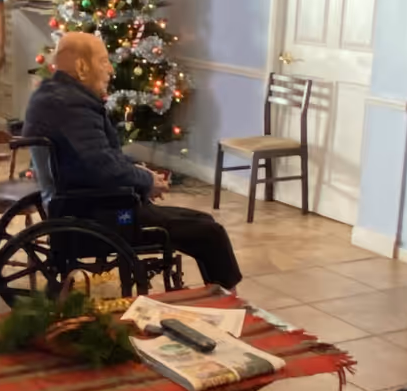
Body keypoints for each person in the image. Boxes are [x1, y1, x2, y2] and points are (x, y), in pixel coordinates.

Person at [23, 32, 243, 291]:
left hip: (88, 204)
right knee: (209, 234)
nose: (109, 69)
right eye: (103, 61)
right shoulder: (70, 105)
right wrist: (146, 180)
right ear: (82, 67)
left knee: (204, 222)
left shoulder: (57, 97)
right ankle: (230, 303)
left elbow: (100, 157)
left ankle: (220, 297)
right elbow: (103, 167)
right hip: (102, 214)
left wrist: (138, 172)